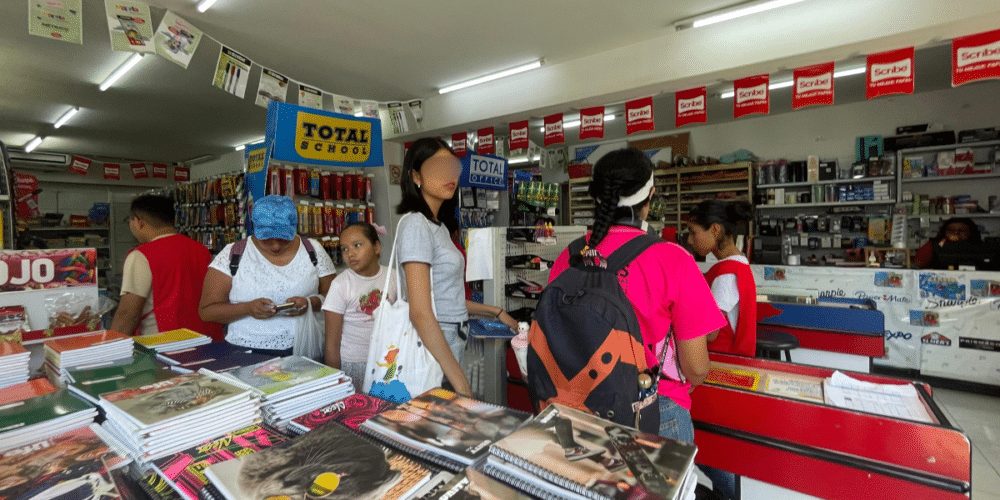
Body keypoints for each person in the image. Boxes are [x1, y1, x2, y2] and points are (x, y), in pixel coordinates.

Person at [547, 147, 724, 444]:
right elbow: (696, 367)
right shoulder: (674, 259)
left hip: (580, 406)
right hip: (654, 408)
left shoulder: (571, 255)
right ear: (650, 197)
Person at [395, 138, 518, 397]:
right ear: (416, 176)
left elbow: (446, 297)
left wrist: (495, 312)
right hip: (434, 342)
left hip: (451, 337)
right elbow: (420, 312)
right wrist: (460, 381)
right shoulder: (416, 224)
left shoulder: (437, 227)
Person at [199, 195, 336, 356]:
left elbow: (334, 298)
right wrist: (247, 308)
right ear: (254, 228)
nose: (276, 246)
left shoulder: (312, 250)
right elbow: (207, 311)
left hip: (305, 348)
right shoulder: (234, 254)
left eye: (284, 239)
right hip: (246, 352)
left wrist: (311, 303)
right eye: (267, 239)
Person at [110, 195, 223, 340]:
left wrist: (110, 348)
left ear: (139, 222)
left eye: (130, 220)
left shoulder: (141, 256)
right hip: (207, 340)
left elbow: (127, 314)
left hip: (164, 345)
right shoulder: (201, 250)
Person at [323, 221, 388, 392]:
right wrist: (335, 384)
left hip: (386, 361)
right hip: (353, 365)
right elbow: (332, 343)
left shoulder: (392, 278)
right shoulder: (341, 285)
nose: (350, 253)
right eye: (344, 249)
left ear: (376, 247)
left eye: (357, 245)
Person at [687, 200, 757, 357]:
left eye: (693, 232)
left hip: (721, 362)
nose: (689, 240)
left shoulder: (726, 274)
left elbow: (710, 333)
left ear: (714, 229)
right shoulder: (739, 264)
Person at [914, 217, 988, 269]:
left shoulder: (979, 246)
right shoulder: (934, 245)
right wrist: (943, 241)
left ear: (971, 233)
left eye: (961, 230)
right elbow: (918, 263)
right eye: (951, 230)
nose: (956, 233)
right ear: (944, 232)